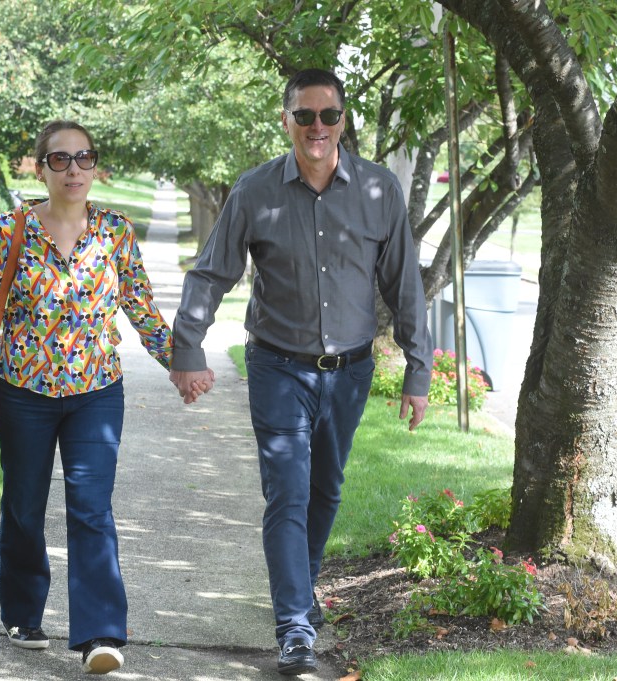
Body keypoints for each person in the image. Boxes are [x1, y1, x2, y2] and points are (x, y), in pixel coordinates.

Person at [169, 68, 433, 676]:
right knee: (287, 489)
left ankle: (301, 595)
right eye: (305, 115)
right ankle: (293, 626)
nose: (317, 127)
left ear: (342, 121)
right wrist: (189, 348)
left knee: (325, 489)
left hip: (350, 372)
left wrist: (419, 370)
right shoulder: (255, 190)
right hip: (277, 365)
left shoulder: (379, 189)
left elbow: (405, 287)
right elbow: (213, 272)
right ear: (286, 120)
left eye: (329, 116)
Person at [0, 120, 192, 675]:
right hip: (23, 394)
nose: (75, 169)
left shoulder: (113, 231)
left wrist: (180, 362)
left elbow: (140, 307)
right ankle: (22, 614)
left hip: (96, 394)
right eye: (60, 160)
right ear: (41, 168)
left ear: (94, 165)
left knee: (90, 508)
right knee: (25, 508)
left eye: (84, 158)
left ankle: (99, 635)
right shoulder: (7, 231)